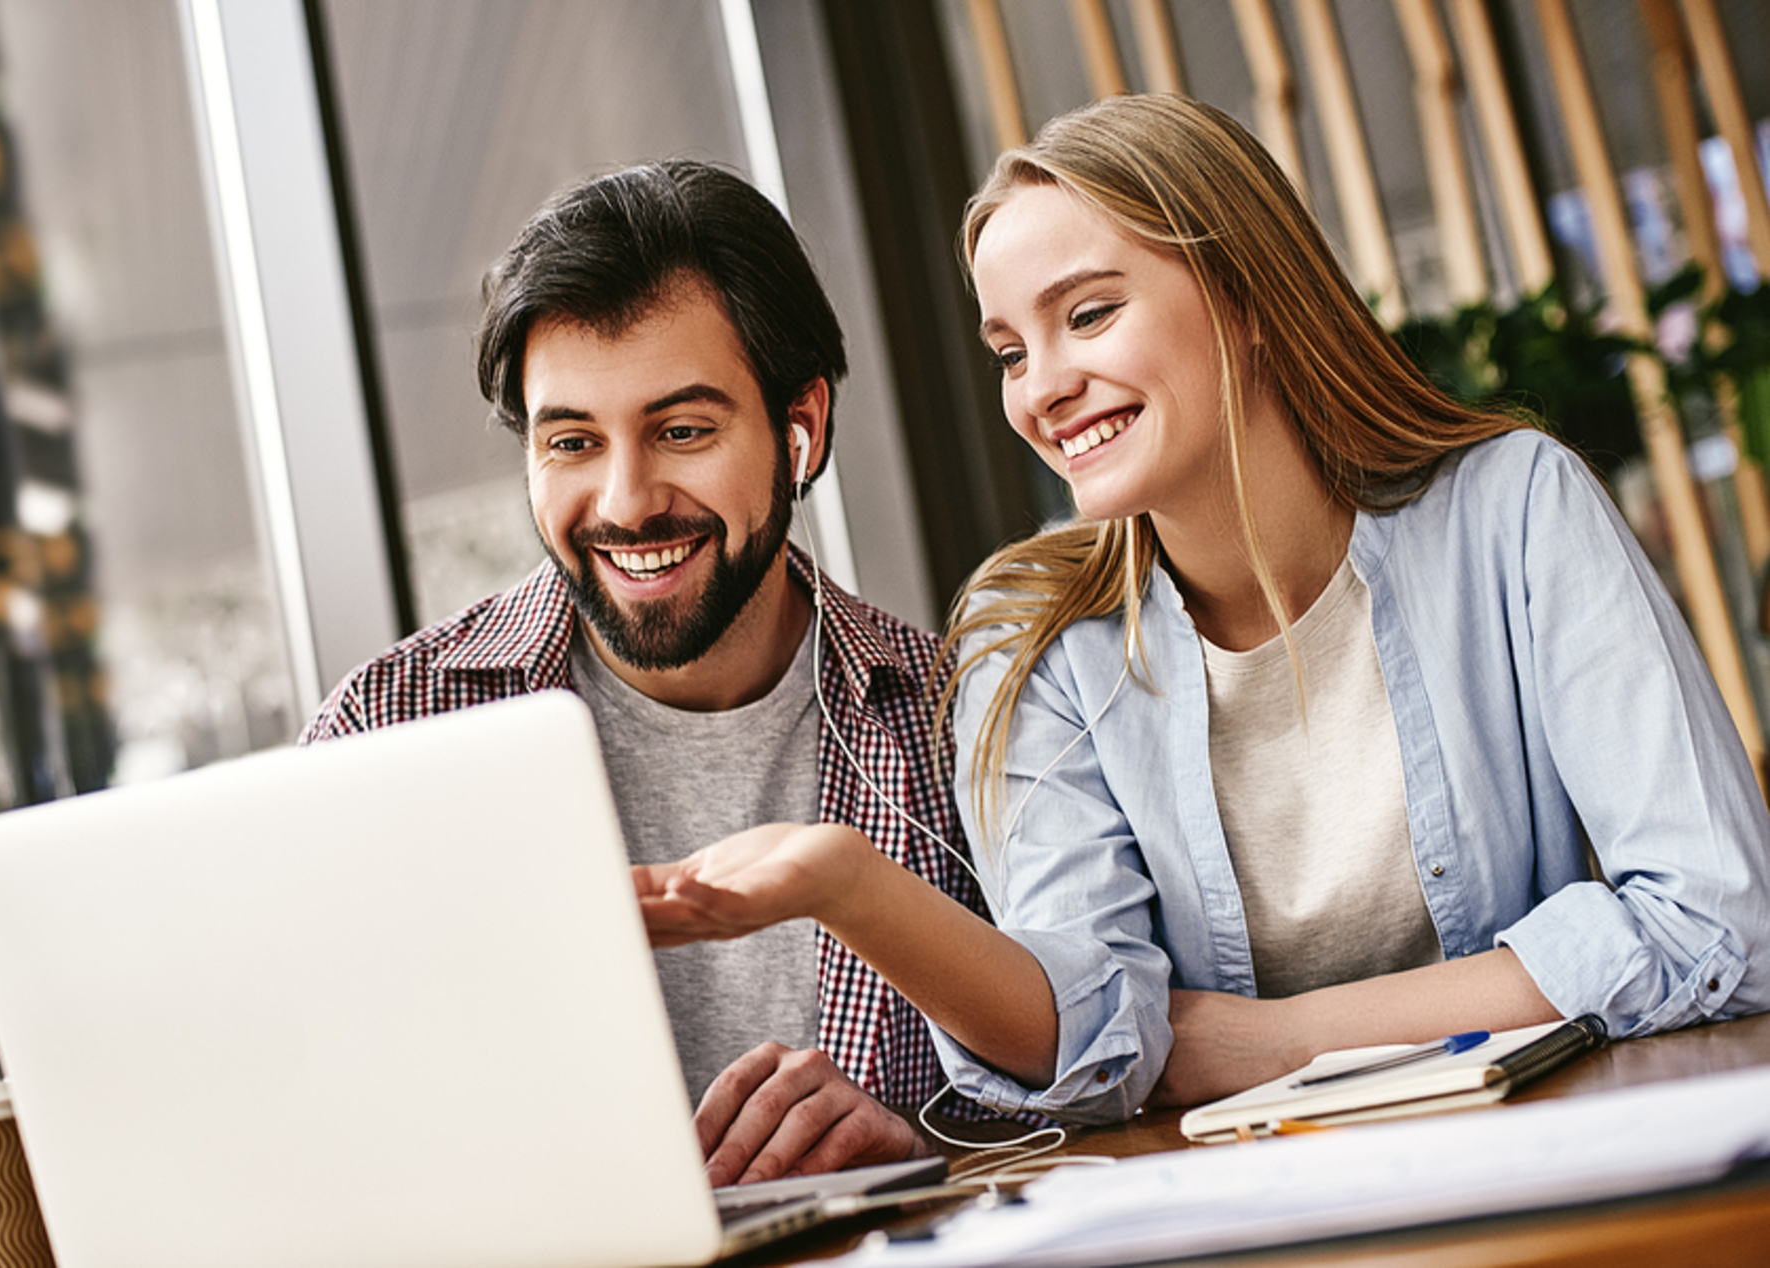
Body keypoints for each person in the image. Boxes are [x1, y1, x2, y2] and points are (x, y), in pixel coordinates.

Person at [636, 94, 1770, 1124]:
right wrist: (842, 880)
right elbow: (1098, 1050)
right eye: (1008, 351)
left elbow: (1717, 920)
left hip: (1566, 1157)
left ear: (1245, 298)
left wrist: (1267, 1039)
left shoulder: (1514, 510)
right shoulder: (1035, 644)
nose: (1039, 389)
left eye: (1086, 315)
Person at [301, 160, 988, 1178]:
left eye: (682, 430)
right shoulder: (388, 727)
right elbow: (321, 1123)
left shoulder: (961, 724)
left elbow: (1087, 1094)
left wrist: (928, 1154)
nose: (625, 501)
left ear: (801, 427)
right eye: (572, 441)